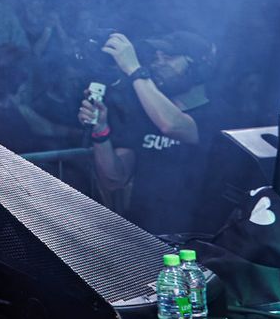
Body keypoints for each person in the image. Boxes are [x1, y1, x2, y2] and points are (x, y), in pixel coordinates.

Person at [78, 31, 222, 234]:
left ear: (200, 65)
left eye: (169, 56)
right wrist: (101, 131)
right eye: (156, 56)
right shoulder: (146, 116)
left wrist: (135, 70)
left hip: (195, 237)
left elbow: (172, 125)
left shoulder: (219, 116)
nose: (157, 62)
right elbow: (114, 179)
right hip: (145, 233)